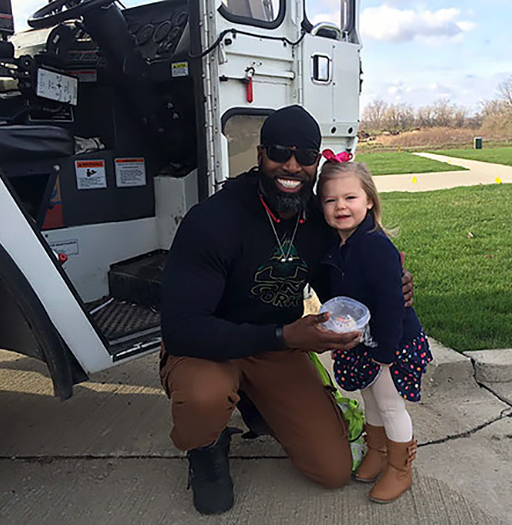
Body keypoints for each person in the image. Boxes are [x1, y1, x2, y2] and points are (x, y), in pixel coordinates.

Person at [159, 105, 413, 515]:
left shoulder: (316, 219)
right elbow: (181, 329)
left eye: (305, 156)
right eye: (279, 152)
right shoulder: (213, 220)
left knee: (332, 470)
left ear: (317, 161)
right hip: (208, 348)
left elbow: (339, 285)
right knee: (205, 396)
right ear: (260, 154)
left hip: (275, 348)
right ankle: (205, 448)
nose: (291, 165)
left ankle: (257, 402)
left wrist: (388, 287)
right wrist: (285, 336)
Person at [317, 160, 432, 503]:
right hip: (362, 342)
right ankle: (378, 452)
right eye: (330, 200)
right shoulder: (338, 245)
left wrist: (385, 352)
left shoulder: (376, 247)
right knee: (369, 399)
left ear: (369, 201)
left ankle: (400, 468)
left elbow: (391, 303)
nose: (340, 206)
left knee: (390, 405)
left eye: (350, 197)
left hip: (389, 343)